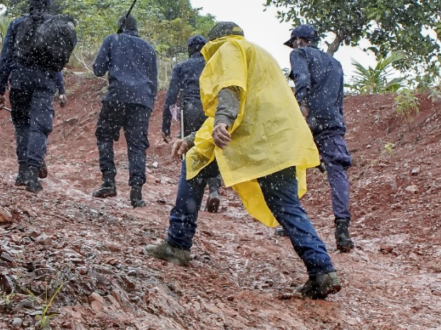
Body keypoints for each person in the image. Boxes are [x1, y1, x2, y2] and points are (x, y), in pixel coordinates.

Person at [145, 22, 342, 300]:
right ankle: (322, 270)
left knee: (194, 165)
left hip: (254, 141)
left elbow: (230, 89)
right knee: (286, 204)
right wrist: (191, 138)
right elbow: (240, 101)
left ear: (211, 45)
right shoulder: (260, 55)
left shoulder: (228, 49)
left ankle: (178, 243)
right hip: (282, 140)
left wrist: (222, 121)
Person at [0, 0, 69, 193]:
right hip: (44, 84)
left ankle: (22, 171)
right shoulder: (55, 27)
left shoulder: (16, 24)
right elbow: (57, 63)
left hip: (20, 82)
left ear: (29, 3)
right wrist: (61, 88)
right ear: (48, 4)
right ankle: (33, 173)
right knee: (39, 127)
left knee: (22, 126)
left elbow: (5, 60)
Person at [286, 24, 355, 252]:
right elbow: (339, 99)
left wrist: (302, 107)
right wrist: (338, 123)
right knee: (337, 171)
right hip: (332, 121)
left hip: (309, 118)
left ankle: (289, 220)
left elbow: (302, 79)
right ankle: (342, 228)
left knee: (291, 166)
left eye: (294, 42)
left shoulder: (299, 54)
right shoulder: (335, 63)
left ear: (298, 40)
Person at [90, 12, 158, 207]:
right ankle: (136, 193)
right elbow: (153, 81)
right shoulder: (149, 48)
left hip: (117, 95)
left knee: (104, 135)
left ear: (120, 26)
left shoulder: (113, 39)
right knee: (137, 145)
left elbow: (98, 69)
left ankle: (108, 181)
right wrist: (148, 102)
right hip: (142, 100)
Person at [163, 34, 223, 212]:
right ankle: (213, 190)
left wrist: (165, 125)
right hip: (210, 109)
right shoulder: (213, 66)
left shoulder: (182, 67)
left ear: (190, 50)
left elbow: (171, 96)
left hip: (189, 110)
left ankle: (191, 194)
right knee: (211, 148)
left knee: (190, 148)